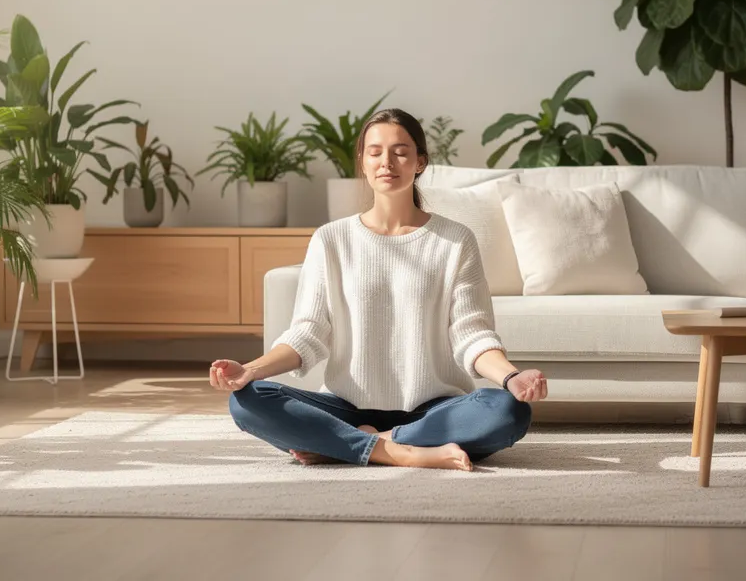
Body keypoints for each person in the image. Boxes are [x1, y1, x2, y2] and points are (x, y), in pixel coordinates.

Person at [209, 108, 548, 471]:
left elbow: (473, 335)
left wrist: (512, 377)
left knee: (508, 410)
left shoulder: (455, 240)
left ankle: (358, 443)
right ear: (363, 161)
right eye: (375, 152)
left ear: (420, 162)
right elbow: (307, 333)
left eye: (400, 151)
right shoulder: (331, 239)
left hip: (433, 409)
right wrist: (250, 370)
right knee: (246, 400)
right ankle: (404, 451)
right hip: (347, 408)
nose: (387, 162)